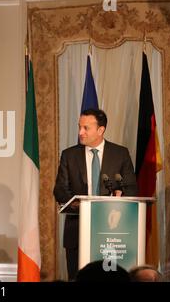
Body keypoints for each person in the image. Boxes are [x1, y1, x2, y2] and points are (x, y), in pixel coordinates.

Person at [53, 108, 138, 281]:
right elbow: (60, 190)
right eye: (79, 127)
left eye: (85, 128)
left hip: (112, 234)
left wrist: (119, 196)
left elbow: (131, 188)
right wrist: (80, 205)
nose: (80, 132)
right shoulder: (69, 155)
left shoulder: (120, 154)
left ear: (101, 130)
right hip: (77, 231)